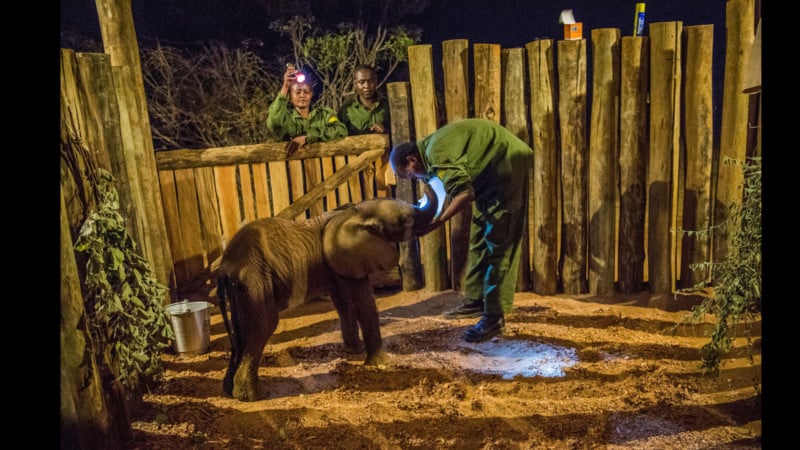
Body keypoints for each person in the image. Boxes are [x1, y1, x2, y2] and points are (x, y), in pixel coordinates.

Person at [389, 118, 533, 342]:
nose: (415, 178)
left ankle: (494, 317)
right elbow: (446, 188)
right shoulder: (428, 151)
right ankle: (476, 300)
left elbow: (465, 194)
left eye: (410, 175)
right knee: (478, 237)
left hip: (506, 166)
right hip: (488, 173)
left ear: (411, 159)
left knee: (499, 242)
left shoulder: (437, 154)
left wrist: (438, 222)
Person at [267, 63, 347, 155]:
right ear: (290, 96)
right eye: (297, 92)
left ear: (311, 94)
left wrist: (308, 138)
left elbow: (341, 130)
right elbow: (273, 123)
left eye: (306, 92)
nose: (302, 95)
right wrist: (285, 87)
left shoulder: (325, 115)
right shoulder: (285, 119)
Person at [338, 64, 390, 135]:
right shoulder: (346, 110)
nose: (367, 86)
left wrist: (385, 129)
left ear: (376, 81)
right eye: (362, 82)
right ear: (355, 84)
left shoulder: (388, 104)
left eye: (371, 81)